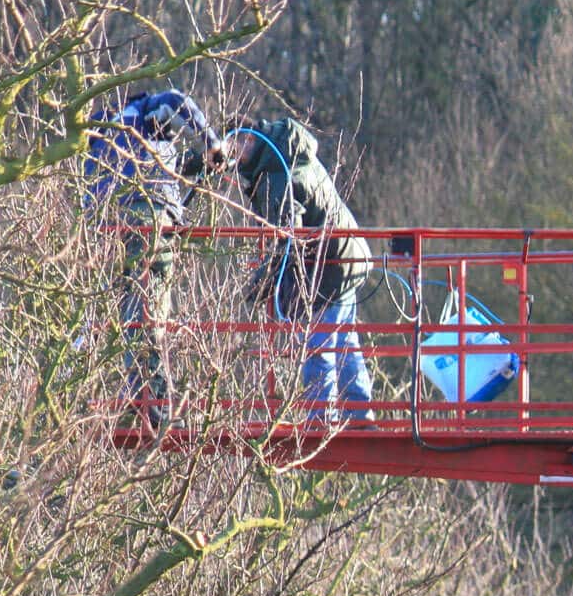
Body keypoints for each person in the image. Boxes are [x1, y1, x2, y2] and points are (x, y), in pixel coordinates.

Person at [84, 88, 225, 427]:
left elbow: (163, 165)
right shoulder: (144, 113)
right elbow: (176, 101)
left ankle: (137, 399)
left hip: (108, 230)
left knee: (131, 316)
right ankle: (156, 405)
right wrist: (211, 143)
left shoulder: (106, 135)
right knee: (151, 317)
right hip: (147, 221)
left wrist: (196, 164)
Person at [229, 119, 375, 426]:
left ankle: (321, 418)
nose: (231, 155)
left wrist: (263, 283)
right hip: (346, 256)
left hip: (329, 266)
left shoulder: (275, 175)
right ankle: (359, 413)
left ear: (248, 141)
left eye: (234, 145)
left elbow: (287, 239)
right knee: (343, 341)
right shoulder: (288, 154)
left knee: (317, 346)